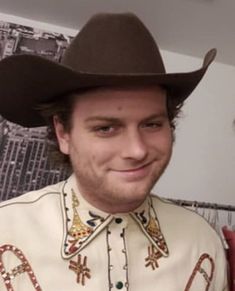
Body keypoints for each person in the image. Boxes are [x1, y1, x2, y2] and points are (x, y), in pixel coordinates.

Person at [0, 12, 228, 291]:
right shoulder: (6, 233)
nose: (137, 150)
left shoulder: (202, 243)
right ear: (63, 133)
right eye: (106, 128)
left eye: (152, 124)